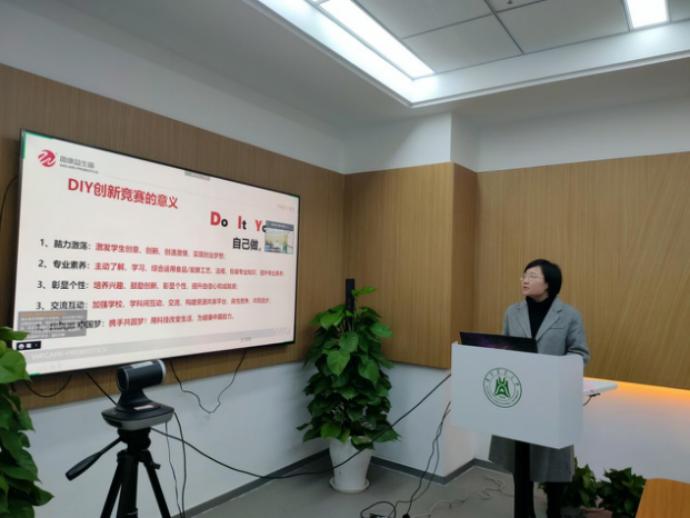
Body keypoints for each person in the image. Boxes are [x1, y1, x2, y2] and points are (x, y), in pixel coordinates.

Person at [489, 259, 590, 518]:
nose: (525, 280)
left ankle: (554, 511)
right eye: (524, 275)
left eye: (532, 276)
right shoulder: (512, 312)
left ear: (548, 283)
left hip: (551, 399)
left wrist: (553, 370)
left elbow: (580, 354)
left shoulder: (569, 315)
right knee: (521, 462)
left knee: (554, 463)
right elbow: (505, 347)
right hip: (519, 397)